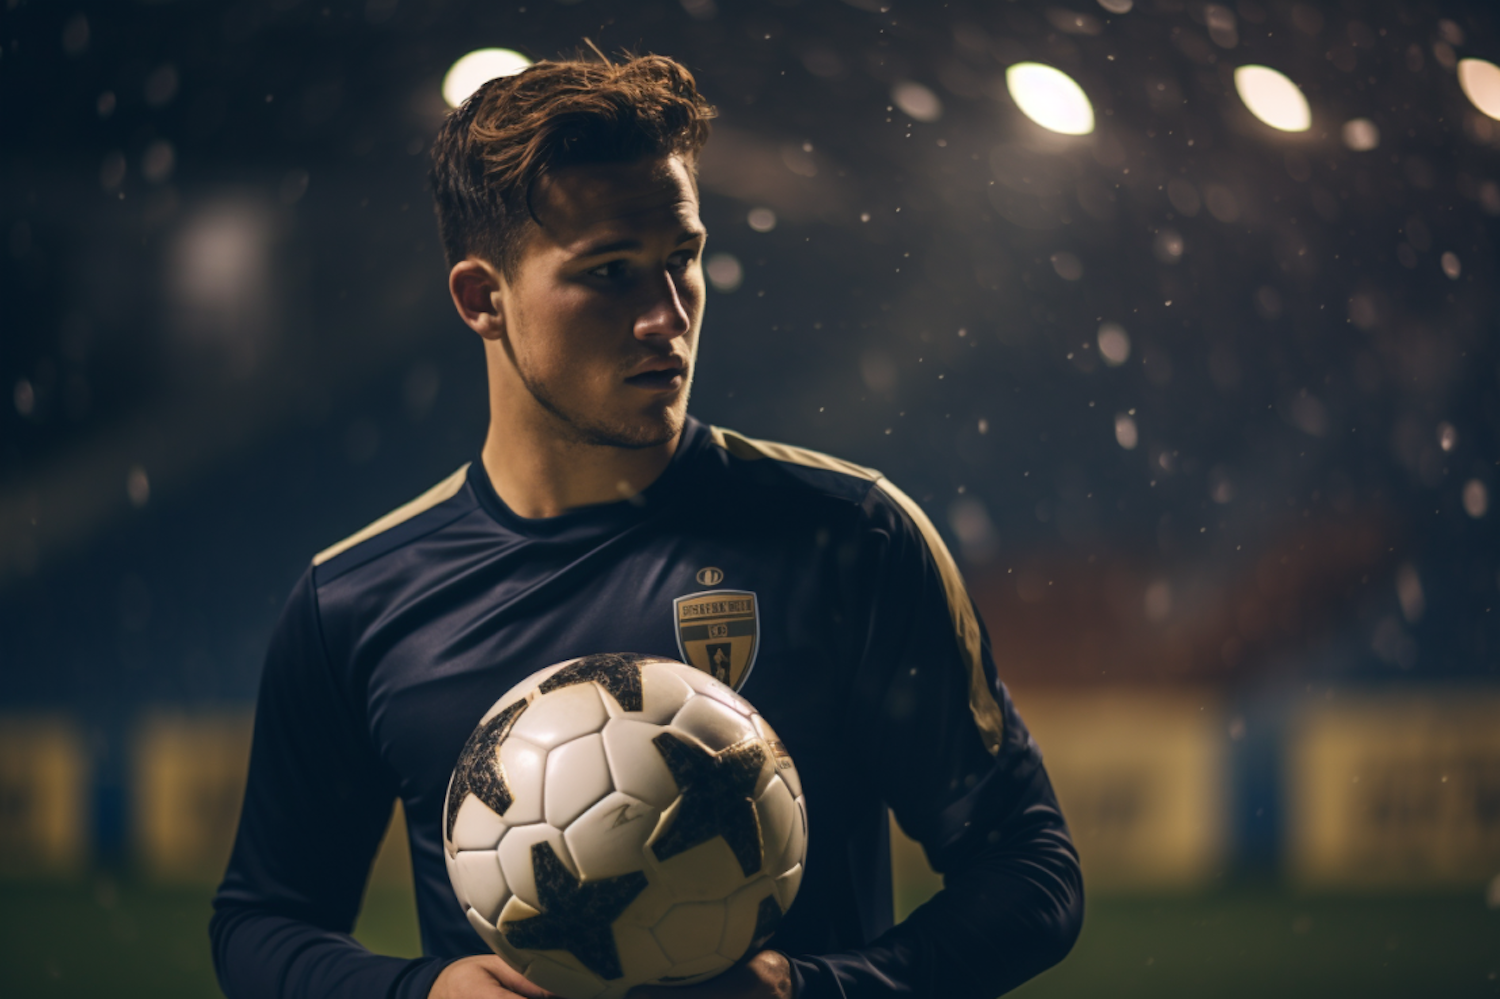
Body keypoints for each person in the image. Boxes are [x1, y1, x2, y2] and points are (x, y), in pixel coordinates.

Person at [210, 52, 1082, 999]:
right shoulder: (356, 600)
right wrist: (418, 994)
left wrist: (817, 989)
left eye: (682, 260)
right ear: (482, 298)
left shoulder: (853, 537)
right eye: (611, 273)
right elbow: (263, 921)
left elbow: (1030, 870)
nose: (665, 316)